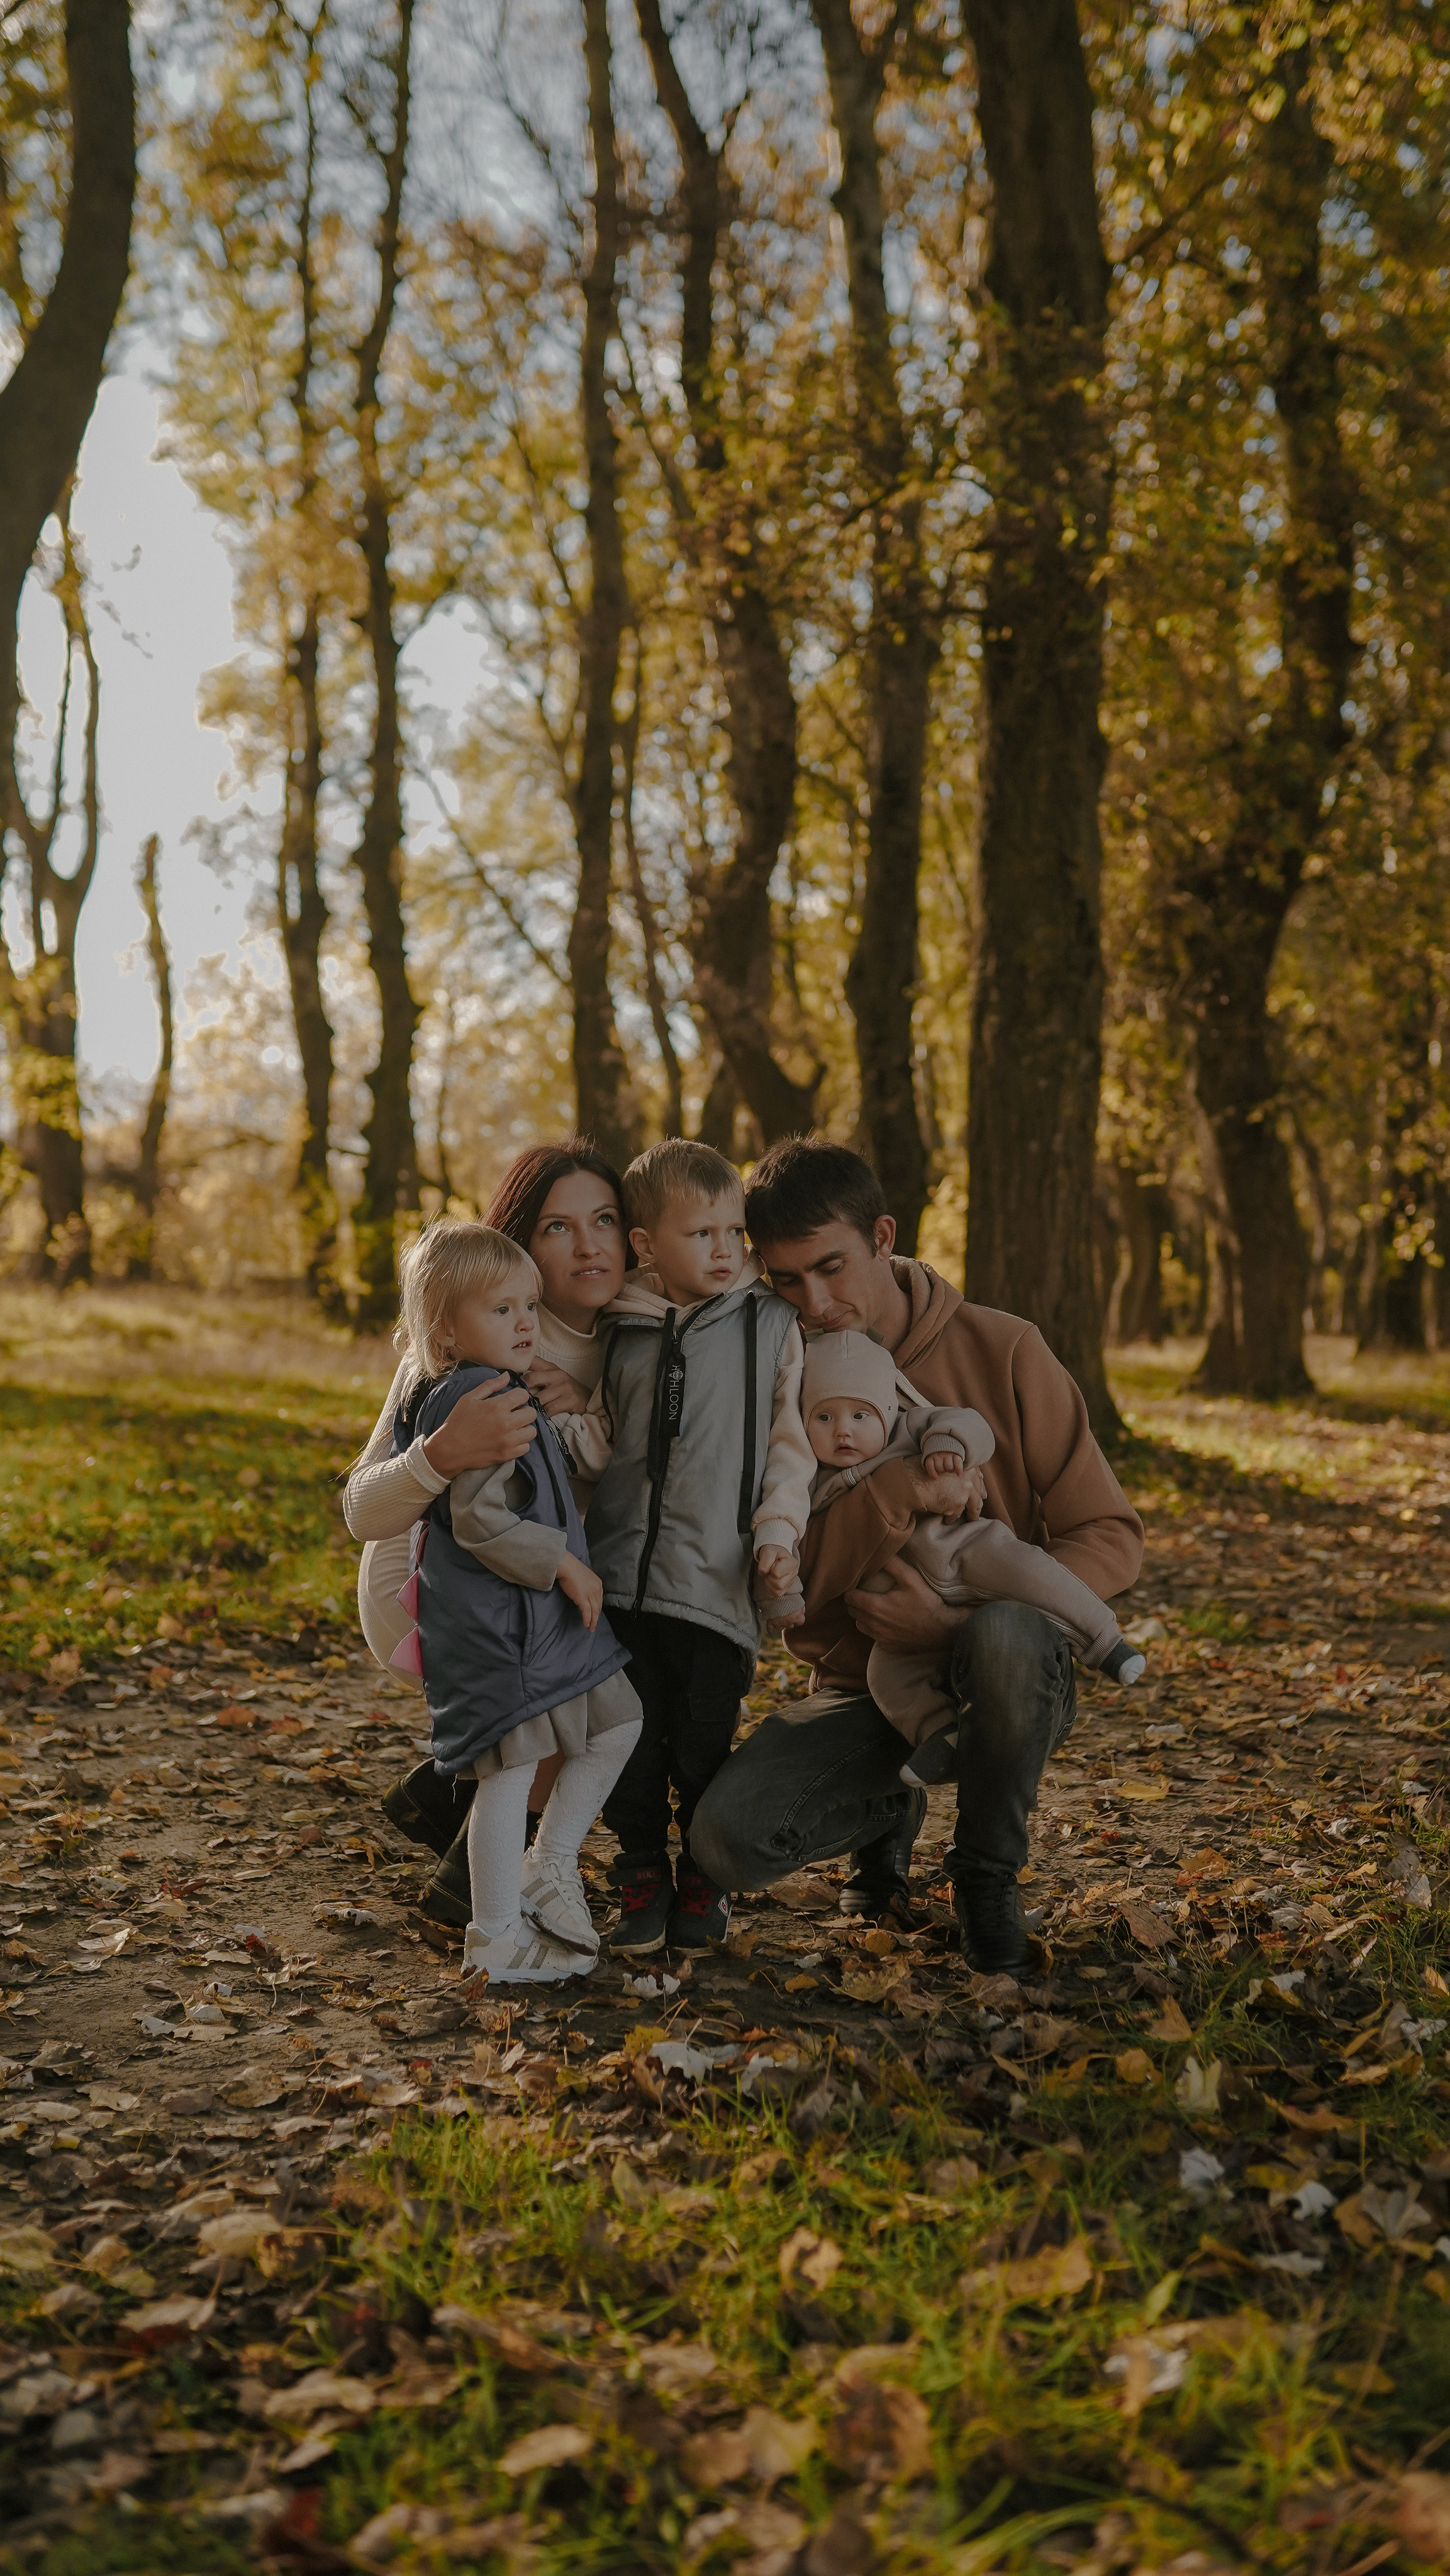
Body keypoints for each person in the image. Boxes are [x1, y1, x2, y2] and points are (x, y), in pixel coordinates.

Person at [688, 1137, 1144, 1973]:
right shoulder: (776, 1375)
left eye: (831, 1268)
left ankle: (985, 1875)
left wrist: (950, 1622)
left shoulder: (1003, 1349)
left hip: (1006, 1670)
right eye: (785, 1280)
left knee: (1003, 1637)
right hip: (862, 1685)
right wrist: (895, 1494)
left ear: (884, 1237)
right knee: (727, 1842)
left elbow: (1109, 1536)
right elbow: (796, 1583)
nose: (815, 1301)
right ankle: (885, 1810)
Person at [346, 1139, 631, 1920]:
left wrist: (580, 1409)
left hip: (518, 1572)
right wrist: (438, 1455)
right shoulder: (466, 1339)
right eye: (557, 1227)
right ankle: (479, 1896)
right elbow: (363, 1512)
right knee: (572, 1671)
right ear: (518, 1242)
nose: (587, 1244)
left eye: (604, 1219)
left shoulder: (638, 1339)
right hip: (423, 1586)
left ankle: (443, 1801)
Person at [551, 1138, 813, 1956]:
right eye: (702, 1235)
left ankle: (703, 1878)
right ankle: (640, 1873)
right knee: (624, 1742)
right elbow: (604, 1442)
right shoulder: (625, 1330)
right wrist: (556, 1429)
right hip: (618, 1583)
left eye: (734, 1232)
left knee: (701, 1741)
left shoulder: (769, 1326)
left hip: (715, 1582)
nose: (727, 1251)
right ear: (646, 1248)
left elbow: (789, 1444)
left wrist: (777, 1532)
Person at [769, 1332, 1146, 1787]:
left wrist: (948, 1447)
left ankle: (1103, 1642)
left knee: (1035, 1576)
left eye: (859, 1415)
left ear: (886, 1412)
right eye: (823, 1417)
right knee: (888, 1680)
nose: (842, 1430)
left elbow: (966, 1423)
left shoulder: (907, 1429)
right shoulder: (808, 1480)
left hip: (969, 1553)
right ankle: (940, 1736)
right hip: (891, 1614)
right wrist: (782, 1592)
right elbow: (786, 1538)